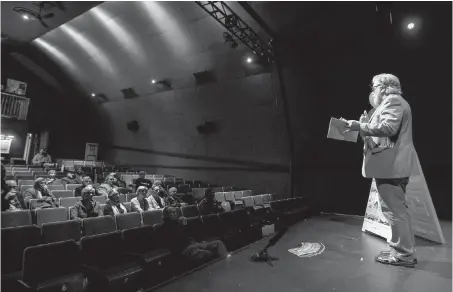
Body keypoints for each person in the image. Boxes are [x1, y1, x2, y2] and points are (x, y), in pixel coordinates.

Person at [342, 73, 418, 267]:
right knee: (396, 211)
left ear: (384, 87)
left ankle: (403, 255)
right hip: (390, 166)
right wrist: (365, 125)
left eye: (375, 86)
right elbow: (383, 134)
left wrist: (361, 125)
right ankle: (400, 250)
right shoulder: (391, 103)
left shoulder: (393, 101)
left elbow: (388, 128)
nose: (373, 90)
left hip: (392, 167)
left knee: (395, 212)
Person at [154, 207, 228, 265]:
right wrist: (181, 226)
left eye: (175, 212)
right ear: (166, 215)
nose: (175, 214)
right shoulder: (163, 228)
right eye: (172, 213)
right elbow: (173, 241)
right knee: (208, 253)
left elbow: (190, 234)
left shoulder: (179, 222)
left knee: (218, 243)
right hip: (185, 249)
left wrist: (184, 225)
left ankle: (228, 262)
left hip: (195, 244)